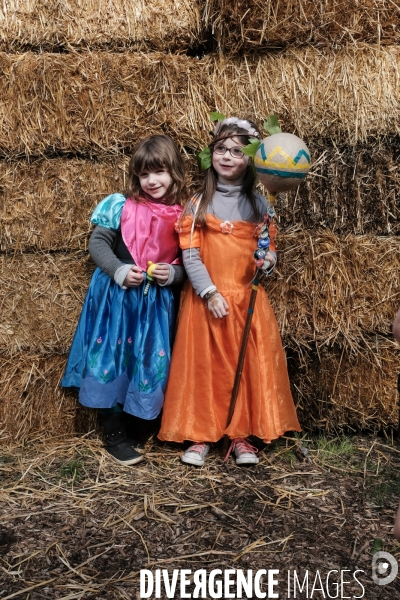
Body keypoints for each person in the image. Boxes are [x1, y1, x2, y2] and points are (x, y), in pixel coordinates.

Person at [158, 117, 301, 466]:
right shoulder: (197, 204)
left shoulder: (259, 205)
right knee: (205, 367)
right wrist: (209, 293)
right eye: (220, 149)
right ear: (211, 155)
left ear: (250, 160)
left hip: (244, 298)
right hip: (207, 300)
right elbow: (189, 255)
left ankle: (240, 436)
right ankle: (200, 434)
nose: (227, 157)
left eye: (237, 152)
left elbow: (269, 253)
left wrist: (267, 261)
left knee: (243, 365)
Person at [62, 135, 186, 465]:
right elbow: (98, 244)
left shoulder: (183, 215)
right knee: (112, 359)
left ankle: (136, 426)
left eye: (159, 172)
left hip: (153, 307)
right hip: (117, 302)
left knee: (146, 360)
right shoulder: (121, 206)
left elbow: (191, 264)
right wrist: (118, 271)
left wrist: (171, 275)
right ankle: (113, 432)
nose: (152, 181)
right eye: (144, 174)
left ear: (174, 172)